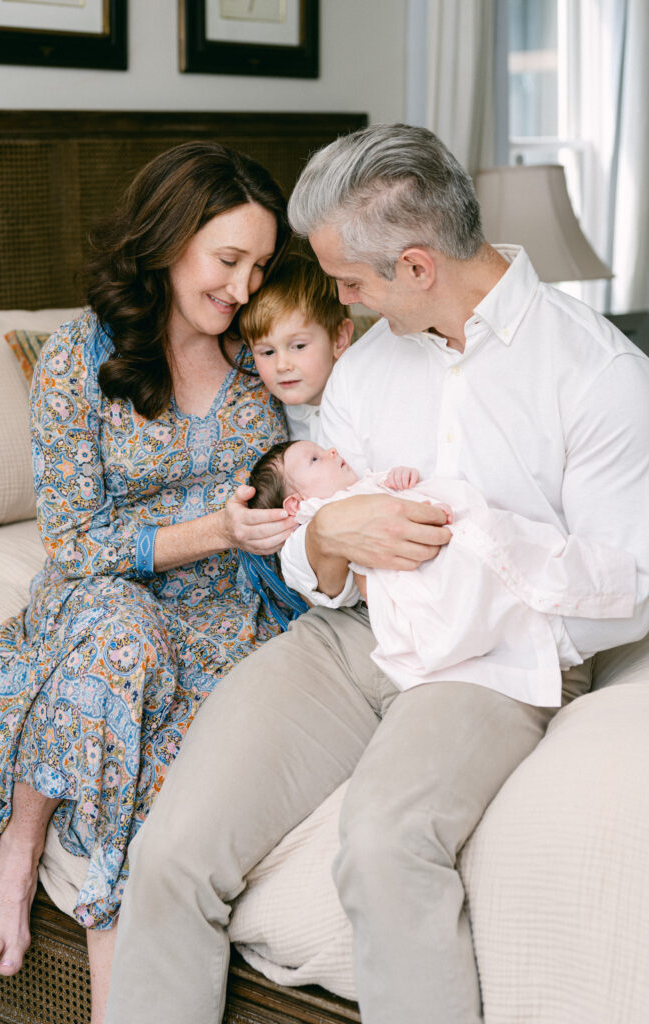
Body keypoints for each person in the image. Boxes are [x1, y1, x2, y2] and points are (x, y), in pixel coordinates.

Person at [103, 123, 649, 1024]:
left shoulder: (600, 377)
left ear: (419, 267)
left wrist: (475, 570)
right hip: (348, 638)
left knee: (385, 845)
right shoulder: (363, 371)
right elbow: (311, 541)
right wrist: (331, 540)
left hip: (490, 661)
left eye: (349, 283)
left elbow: (623, 589)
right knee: (170, 850)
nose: (338, 305)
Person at [0, 140, 295, 1022]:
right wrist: (212, 529)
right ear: (171, 241)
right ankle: (19, 846)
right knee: (122, 638)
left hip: (221, 610)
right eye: (229, 260)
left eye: (261, 265)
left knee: (152, 748)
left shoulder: (264, 360)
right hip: (97, 596)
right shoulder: (75, 360)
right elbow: (73, 540)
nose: (245, 288)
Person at [249, 439, 635, 705]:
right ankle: (594, 603)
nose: (331, 452)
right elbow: (305, 569)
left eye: (325, 449)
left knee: (529, 551)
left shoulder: (366, 482)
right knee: (492, 602)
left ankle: (615, 587)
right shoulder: (313, 520)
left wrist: (397, 479)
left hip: (463, 541)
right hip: (423, 580)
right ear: (296, 502)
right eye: (316, 459)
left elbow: (398, 485)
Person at [238, 251, 354, 441]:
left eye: (299, 346)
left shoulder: (363, 402)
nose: (282, 365)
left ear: (339, 339)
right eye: (267, 351)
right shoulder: (269, 419)